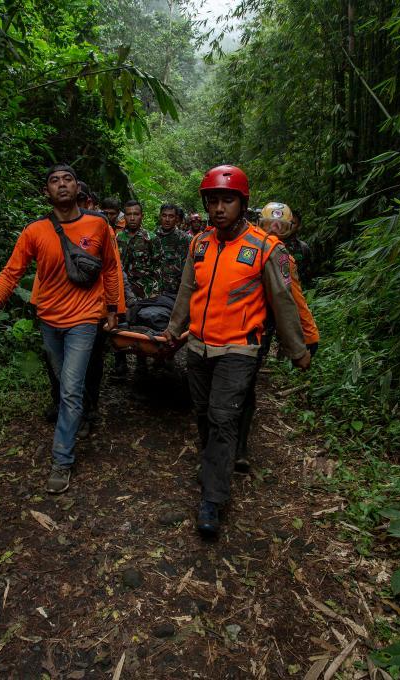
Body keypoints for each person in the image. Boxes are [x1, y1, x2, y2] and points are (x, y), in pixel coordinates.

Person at [161, 165, 311, 538]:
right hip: (198, 346)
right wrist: (172, 330)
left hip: (240, 348)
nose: (219, 208)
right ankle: (213, 463)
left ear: (242, 203)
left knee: (223, 418)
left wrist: (298, 349)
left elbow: (283, 301)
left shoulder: (266, 247)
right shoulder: (198, 243)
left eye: (227, 199)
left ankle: (212, 499)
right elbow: (186, 290)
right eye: (213, 200)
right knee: (201, 414)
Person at [0, 164, 122, 494]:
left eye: (68, 179)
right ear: (47, 192)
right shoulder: (35, 232)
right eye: (54, 181)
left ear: (77, 188)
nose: (61, 185)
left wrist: (113, 310)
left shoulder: (98, 225)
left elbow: (112, 270)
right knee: (63, 381)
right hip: (49, 321)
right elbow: (11, 272)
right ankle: (83, 414)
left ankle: (62, 460)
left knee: (70, 389)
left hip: (85, 320)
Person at [233, 201, 321, 473]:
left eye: (280, 226)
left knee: (245, 384)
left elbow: (293, 297)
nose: (274, 230)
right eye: (270, 224)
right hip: (227, 325)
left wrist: (307, 337)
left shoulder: (284, 257)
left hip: (257, 329)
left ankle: (238, 447)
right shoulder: (239, 242)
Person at [116, 200, 155, 298]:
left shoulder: (151, 238)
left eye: (136, 214)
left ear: (142, 216)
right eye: (129, 214)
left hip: (145, 292)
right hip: (122, 291)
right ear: (124, 216)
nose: (132, 218)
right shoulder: (117, 238)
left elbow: (158, 267)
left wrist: (155, 291)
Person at [154, 203, 192, 296]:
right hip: (154, 292)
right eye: (164, 216)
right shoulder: (152, 237)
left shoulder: (185, 239)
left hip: (175, 293)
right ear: (160, 217)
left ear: (176, 219)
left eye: (171, 216)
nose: (167, 220)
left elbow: (188, 270)